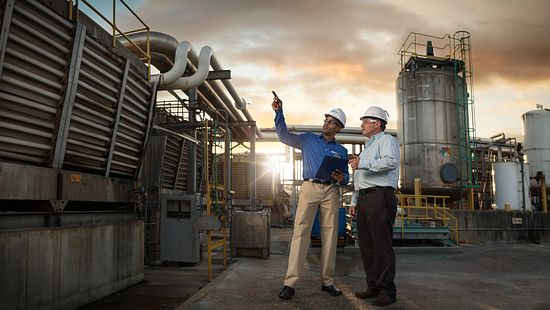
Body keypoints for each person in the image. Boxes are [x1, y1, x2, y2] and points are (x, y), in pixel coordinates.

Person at [272, 93, 350, 300]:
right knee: (301, 233)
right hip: (309, 187)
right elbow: (283, 136)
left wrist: (342, 178)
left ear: (338, 128)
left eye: (331, 122)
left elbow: (346, 178)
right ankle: (290, 283)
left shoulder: (342, 151)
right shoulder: (307, 139)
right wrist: (279, 112)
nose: (326, 124)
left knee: (330, 235)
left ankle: (328, 281)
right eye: (326, 120)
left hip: (331, 190)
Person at [348, 106, 400, 307]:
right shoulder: (368, 146)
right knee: (367, 247)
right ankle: (374, 286)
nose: (361, 124)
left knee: (381, 246)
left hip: (380, 197)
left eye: (365, 121)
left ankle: (387, 291)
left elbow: (390, 162)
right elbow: (361, 177)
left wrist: (362, 163)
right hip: (365, 198)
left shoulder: (388, 141)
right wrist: (354, 201)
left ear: (377, 123)